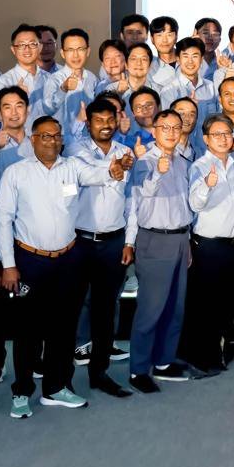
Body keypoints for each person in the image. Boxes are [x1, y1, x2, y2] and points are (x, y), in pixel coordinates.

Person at [0, 116, 132, 418]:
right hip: (29, 260)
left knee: (64, 328)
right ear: (33, 139)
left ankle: (56, 388)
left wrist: (114, 169)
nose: (52, 141)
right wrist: (8, 265)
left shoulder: (71, 167)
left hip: (68, 260)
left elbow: (97, 174)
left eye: (57, 136)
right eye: (46, 136)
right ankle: (22, 391)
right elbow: (3, 220)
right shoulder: (16, 173)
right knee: (28, 331)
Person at [68, 97, 136, 397]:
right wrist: (113, 169)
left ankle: (100, 373)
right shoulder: (76, 150)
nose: (106, 125)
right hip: (80, 242)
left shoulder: (125, 152)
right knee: (71, 309)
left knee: (105, 310)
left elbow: (132, 201)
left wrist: (129, 241)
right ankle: (61, 380)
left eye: (110, 119)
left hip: (113, 242)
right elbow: (86, 174)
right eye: (99, 120)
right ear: (89, 123)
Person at [123, 110, 195, 392]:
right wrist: (157, 173)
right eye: (165, 127)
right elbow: (141, 196)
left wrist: (187, 241)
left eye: (176, 127)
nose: (171, 132)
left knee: (175, 308)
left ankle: (163, 361)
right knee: (150, 309)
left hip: (179, 238)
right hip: (154, 239)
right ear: (154, 131)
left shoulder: (182, 161)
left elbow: (184, 205)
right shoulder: (144, 161)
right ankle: (138, 370)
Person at [183, 114, 234, 375]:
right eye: (217, 134)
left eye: (227, 134)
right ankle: (203, 358)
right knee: (205, 304)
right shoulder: (199, 167)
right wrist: (207, 186)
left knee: (227, 301)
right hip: (207, 246)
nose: (223, 139)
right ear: (206, 139)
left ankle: (222, 350)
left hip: (231, 246)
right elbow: (195, 204)